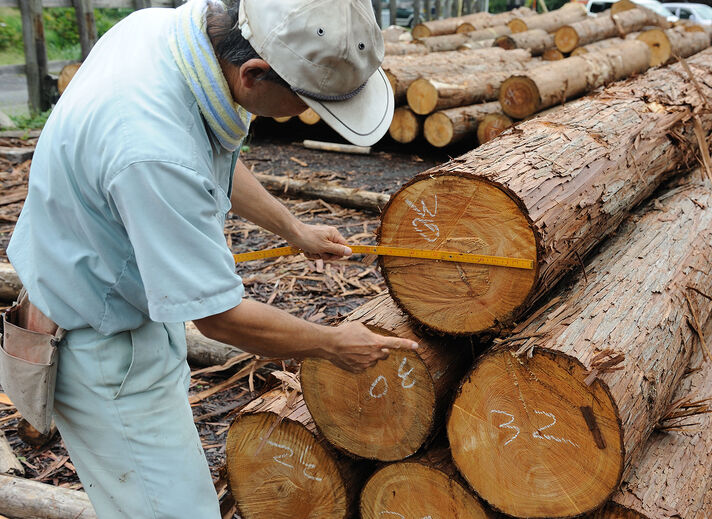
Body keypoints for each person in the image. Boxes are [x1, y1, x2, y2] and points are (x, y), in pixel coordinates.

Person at [6, 0, 414, 516]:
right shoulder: (151, 148)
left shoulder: (171, 35)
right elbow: (219, 317)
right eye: (308, 104)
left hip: (109, 295)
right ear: (255, 75)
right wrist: (332, 344)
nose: (307, 118)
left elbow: (207, 151)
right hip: (101, 344)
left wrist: (294, 228)